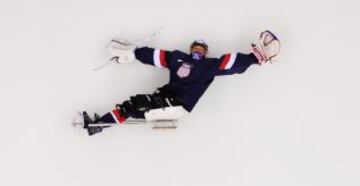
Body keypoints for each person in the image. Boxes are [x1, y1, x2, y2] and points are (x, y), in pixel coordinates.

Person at [79, 31, 280, 135]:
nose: (198, 50)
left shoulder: (210, 65)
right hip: (164, 98)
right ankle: (97, 126)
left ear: (206, 51)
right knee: (130, 105)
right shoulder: (177, 58)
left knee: (136, 105)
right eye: (196, 47)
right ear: (191, 48)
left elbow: (231, 63)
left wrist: (255, 58)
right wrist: (134, 52)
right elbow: (156, 56)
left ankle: (98, 125)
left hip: (179, 105)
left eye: (202, 48)